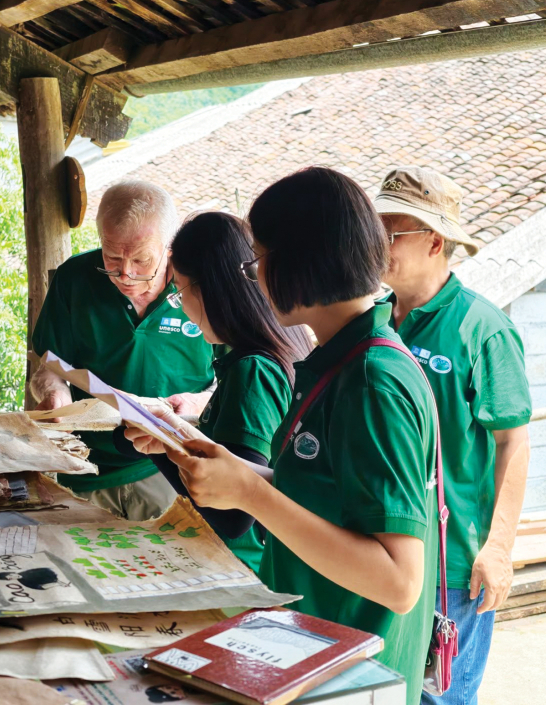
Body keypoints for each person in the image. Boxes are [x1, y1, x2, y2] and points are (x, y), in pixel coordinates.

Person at [126, 167, 438, 703]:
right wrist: (214, 457)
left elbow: (399, 581)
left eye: (258, 261)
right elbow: (322, 494)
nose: (254, 278)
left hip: (352, 674)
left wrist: (251, 493)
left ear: (300, 260)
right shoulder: (339, 361)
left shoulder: (371, 380)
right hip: (309, 650)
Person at [375, 166, 532, 705]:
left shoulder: (482, 329)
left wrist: (499, 549)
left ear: (435, 241)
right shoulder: (374, 319)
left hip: (453, 564)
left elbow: (513, 440)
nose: (375, 244)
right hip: (382, 550)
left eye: (389, 233)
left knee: (439, 696)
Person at [113, 211, 309, 572]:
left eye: (180, 293)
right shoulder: (278, 340)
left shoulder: (253, 370)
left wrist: (164, 443)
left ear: (209, 291)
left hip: (243, 570)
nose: (182, 308)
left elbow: (233, 516)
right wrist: (171, 427)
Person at [30, 181, 215, 521]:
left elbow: (242, 373)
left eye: (142, 260)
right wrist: (55, 395)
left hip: (178, 464)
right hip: (87, 467)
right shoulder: (75, 278)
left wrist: (196, 403)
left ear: (169, 248)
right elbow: (50, 364)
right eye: (112, 257)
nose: (125, 274)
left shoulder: (204, 285)